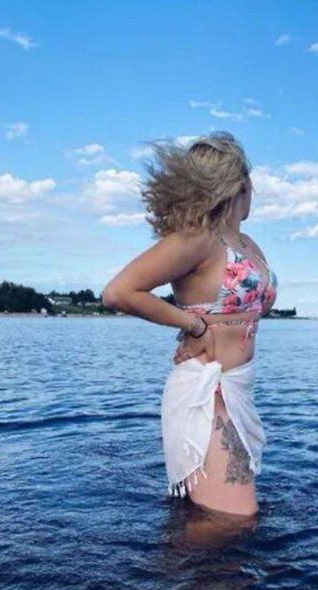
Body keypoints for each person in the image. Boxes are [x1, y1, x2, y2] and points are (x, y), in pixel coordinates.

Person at [102, 132, 277, 517]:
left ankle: (184, 572)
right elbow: (119, 292)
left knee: (219, 515)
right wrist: (193, 326)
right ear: (241, 185)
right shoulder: (199, 239)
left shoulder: (247, 243)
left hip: (237, 390)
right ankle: (183, 575)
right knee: (232, 520)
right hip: (206, 389)